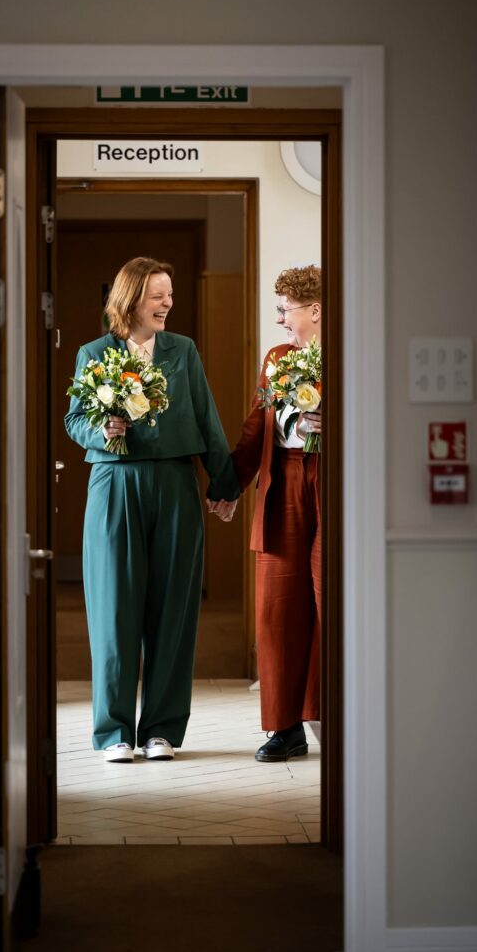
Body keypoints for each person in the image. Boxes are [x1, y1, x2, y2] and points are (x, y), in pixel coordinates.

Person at [65, 256, 239, 763]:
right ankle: (114, 733)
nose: (168, 303)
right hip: (114, 483)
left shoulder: (182, 350)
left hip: (176, 484)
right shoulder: (93, 352)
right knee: (114, 608)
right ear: (131, 298)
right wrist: (102, 431)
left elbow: (206, 417)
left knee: (173, 610)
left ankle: (161, 730)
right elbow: (74, 418)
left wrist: (223, 484)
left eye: (169, 294)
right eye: (158, 294)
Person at [213, 265, 322, 762]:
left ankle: (334, 718)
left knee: (331, 604)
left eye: (285, 310)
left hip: (335, 483)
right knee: (277, 610)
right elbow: (257, 427)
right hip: (284, 486)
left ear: (315, 310)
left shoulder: (353, 350)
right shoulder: (277, 358)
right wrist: (228, 484)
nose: (279, 320)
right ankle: (284, 728)